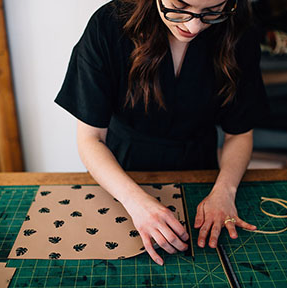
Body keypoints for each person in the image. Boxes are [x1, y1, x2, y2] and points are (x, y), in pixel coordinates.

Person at [55, 0, 268, 266]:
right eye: (180, 6)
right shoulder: (108, 25)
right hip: (122, 173)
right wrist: (135, 202)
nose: (193, 26)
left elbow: (239, 134)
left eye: (211, 12)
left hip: (202, 173)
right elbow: (90, 139)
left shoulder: (238, 28)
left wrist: (225, 191)